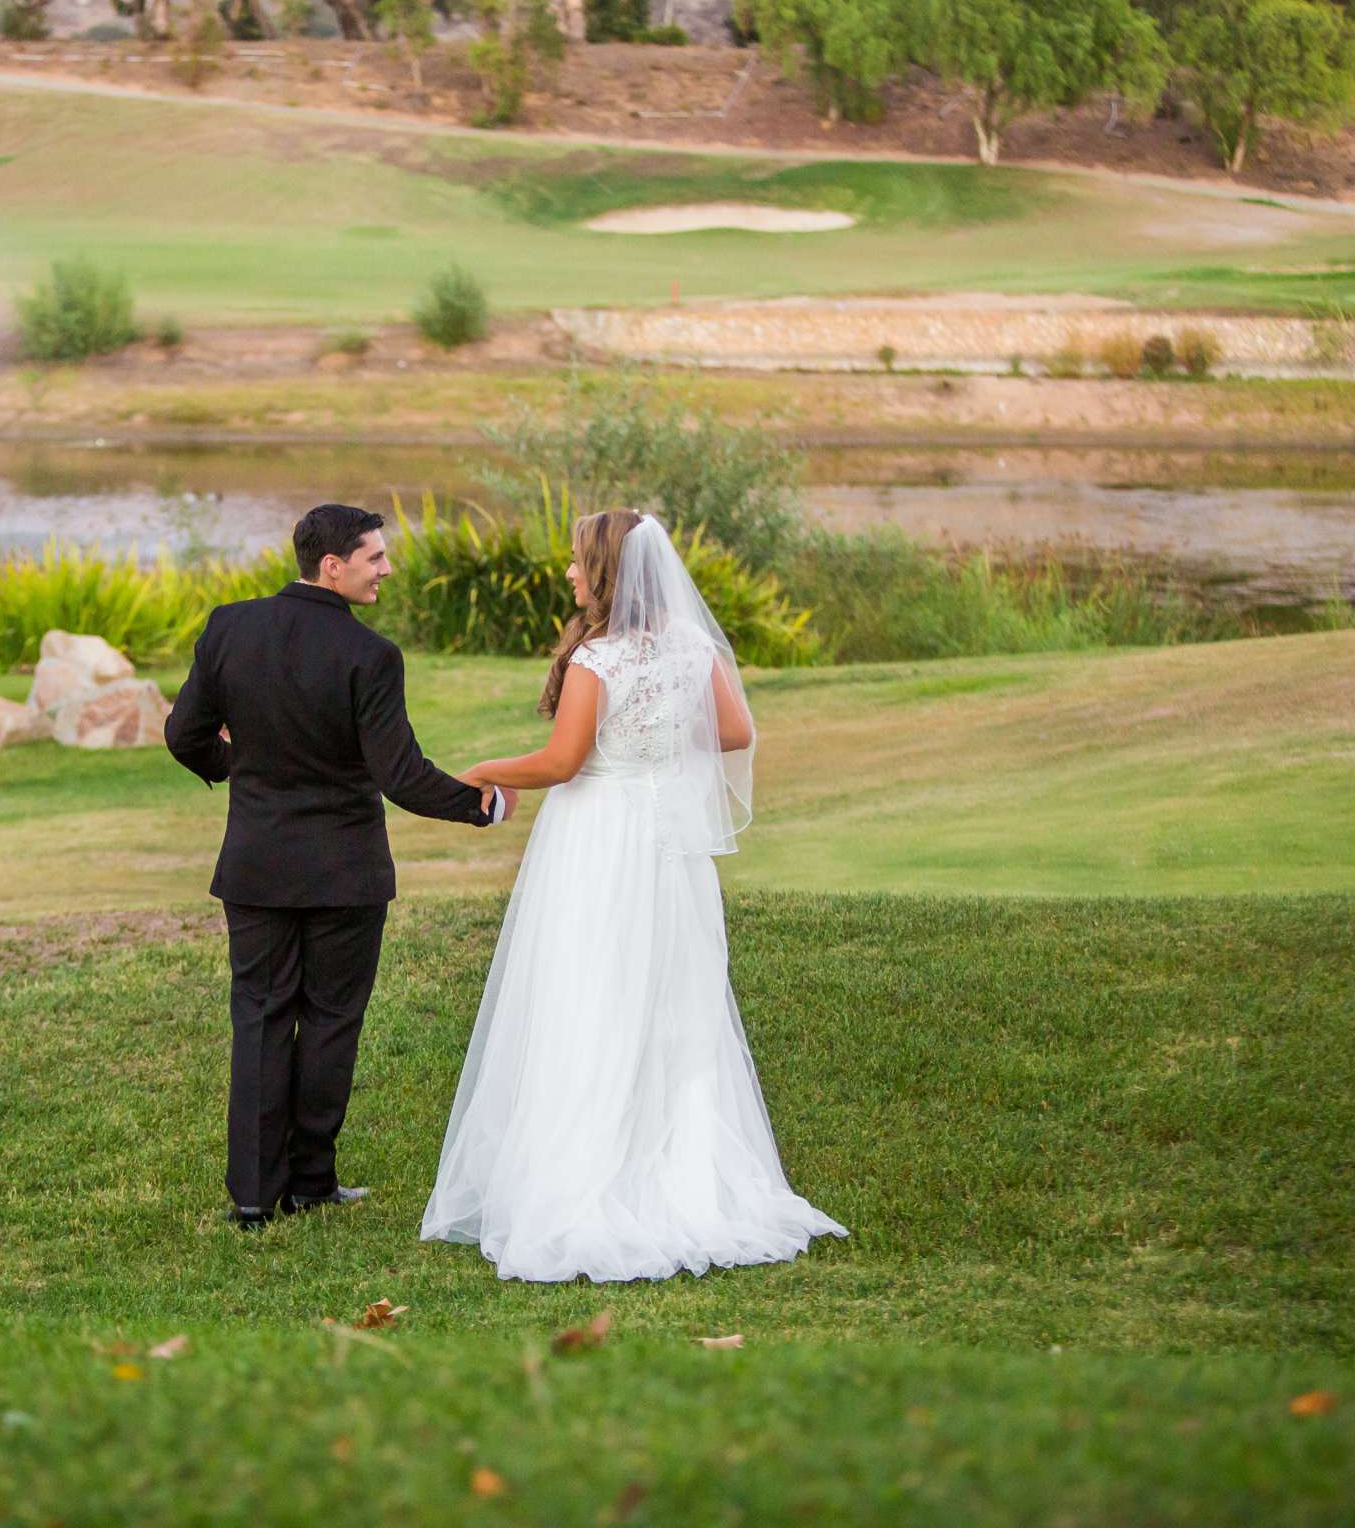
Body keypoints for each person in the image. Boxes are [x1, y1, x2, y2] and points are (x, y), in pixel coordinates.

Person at [419, 509, 847, 1283]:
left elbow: (560, 762)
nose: (570, 577)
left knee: (590, 989)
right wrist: (660, 747)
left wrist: (480, 769)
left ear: (607, 573)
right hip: (668, 850)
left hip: (600, 841)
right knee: (668, 996)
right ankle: (684, 1170)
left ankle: (589, 1175)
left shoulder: (600, 662)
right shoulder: (693, 650)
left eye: (579, 566)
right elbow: (736, 732)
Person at [166, 504, 509, 1231]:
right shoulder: (370, 656)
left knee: (259, 1016)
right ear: (333, 565)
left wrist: (240, 767)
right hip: (344, 874)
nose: (386, 568)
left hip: (255, 865)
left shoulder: (230, 625)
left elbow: (182, 734)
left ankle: (255, 1195)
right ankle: (313, 1182)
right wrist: (481, 806)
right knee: (329, 1020)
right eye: (375, 557)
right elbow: (401, 774)